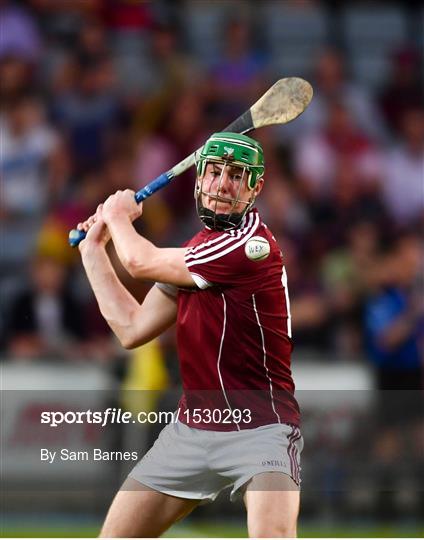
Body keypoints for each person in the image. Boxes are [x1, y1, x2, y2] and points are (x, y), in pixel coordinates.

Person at [77, 132, 302, 537]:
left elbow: (138, 259)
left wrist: (116, 213)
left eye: (236, 175)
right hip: (193, 428)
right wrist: (92, 253)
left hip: (261, 429)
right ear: (198, 179)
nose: (221, 184)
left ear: (255, 189)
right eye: (214, 172)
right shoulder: (196, 250)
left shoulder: (248, 246)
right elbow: (131, 328)